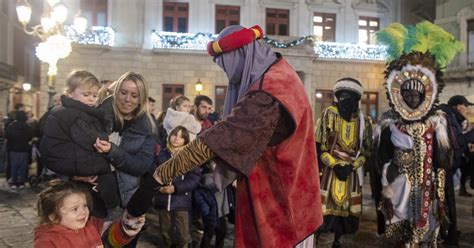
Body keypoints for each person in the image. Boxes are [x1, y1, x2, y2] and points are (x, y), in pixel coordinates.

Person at [127, 25, 322, 247]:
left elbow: (219, 140)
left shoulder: (270, 91)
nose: (229, 75)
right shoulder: (278, 73)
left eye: (227, 66)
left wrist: (158, 177)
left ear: (240, 55)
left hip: (283, 205)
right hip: (287, 196)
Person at [375, 21, 463, 246]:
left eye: (417, 95)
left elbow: (442, 159)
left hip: (426, 187)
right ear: (399, 95)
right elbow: (381, 156)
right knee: (399, 232)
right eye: (408, 94)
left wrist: (439, 182)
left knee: (425, 231)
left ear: (426, 96)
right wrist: (389, 174)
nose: (412, 99)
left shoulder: (436, 123)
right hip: (398, 186)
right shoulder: (390, 124)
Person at [86, 71, 156, 247]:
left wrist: (112, 151)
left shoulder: (147, 126)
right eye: (123, 93)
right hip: (94, 199)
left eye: (134, 95)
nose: (127, 99)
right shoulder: (97, 117)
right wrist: (78, 174)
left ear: (141, 99)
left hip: (128, 202)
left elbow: (142, 165)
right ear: (116, 92)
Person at [40, 70, 120, 218]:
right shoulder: (69, 113)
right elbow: (93, 140)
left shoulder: (85, 113)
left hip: (87, 175)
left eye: (95, 95)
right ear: (70, 93)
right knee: (88, 218)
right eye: (86, 94)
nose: (91, 99)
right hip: (79, 175)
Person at [315, 78, 372, 247]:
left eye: (350, 97)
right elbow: (320, 147)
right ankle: (318, 238)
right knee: (324, 213)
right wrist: (334, 165)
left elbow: (365, 151)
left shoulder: (364, 121)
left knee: (347, 213)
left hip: (351, 173)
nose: (345, 101)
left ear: (357, 100)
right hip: (330, 171)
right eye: (342, 97)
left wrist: (352, 166)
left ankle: (339, 239)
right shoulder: (328, 114)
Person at [34, 179, 144, 247]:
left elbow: (111, 238)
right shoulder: (47, 241)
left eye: (85, 206)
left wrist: (127, 226)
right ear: (52, 216)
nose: (83, 211)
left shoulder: (93, 225)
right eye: (75, 209)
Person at [153, 126, 201, 248]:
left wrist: (176, 188)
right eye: (174, 134)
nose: (176, 138)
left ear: (185, 140)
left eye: (180, 136)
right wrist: (159, 187)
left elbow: (194, 179)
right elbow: (152, 174)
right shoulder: (161, 155)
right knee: (166, 233)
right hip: (163, 201)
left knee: (183, 234)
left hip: (181, 202)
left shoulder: (189, 158)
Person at [438, 95, 474, 245]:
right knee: (445, 203)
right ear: (459, 106)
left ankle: (449, 232)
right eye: (466, 106)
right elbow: (455, 143)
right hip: (444, 170)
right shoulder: (448, 118)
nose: (467, 109)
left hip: (449, 169)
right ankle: (447, 235)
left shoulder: (453, 118)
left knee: (448, 204)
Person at [4, 111, 33, 189]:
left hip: (13, 148)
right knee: (23, 166)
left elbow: (6, 136)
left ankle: (14, 182)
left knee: (14, 166)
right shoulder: (28, 127)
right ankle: (21, 183)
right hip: (24, 149)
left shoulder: (11, 126)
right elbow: (30, 137)